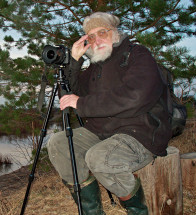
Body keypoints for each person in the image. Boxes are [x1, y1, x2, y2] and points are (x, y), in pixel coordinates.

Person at [47, 12, 172, 215]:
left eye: (102, 32)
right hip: (102, 133)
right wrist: (75, 61)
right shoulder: (96, 67)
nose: (97, 39)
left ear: (115, 33)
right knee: (58, 144)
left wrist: (84, 104)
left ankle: (137, 211)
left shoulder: (137, 55)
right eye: (91, 36)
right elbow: (68, 96)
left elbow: (136, 96)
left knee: (99, 158)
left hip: (140, 132)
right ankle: (92, 211)